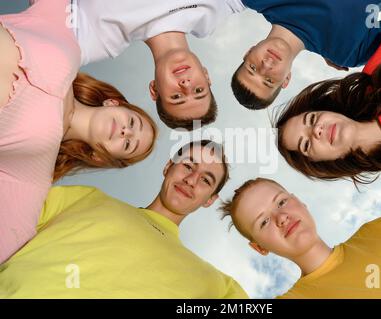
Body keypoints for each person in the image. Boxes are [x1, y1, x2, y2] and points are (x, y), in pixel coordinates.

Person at [0, 0, 158, 263]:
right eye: (132, 123)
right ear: (113, 103)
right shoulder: (68, 45)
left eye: (129, 145)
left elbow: (11, 237)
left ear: (100, 157)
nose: (126, 133)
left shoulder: (35, 172)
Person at [274, 0, 381, 232]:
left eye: (312, 119)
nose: (316, 131)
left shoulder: (379, 77)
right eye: (306, 144)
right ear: (323, 163)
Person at [0, 140, 248, 299]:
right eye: (188, 166)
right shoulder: (86, 197)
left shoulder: (214, 283)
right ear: (168, 167)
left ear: (209, 199)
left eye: (206, 179)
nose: (191, 179)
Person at [220, 178, 381, 298]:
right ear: (259, 248)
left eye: (281, 202)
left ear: (300, 201)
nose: (281, 217)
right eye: (263, 222)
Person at [232, 0, 381, 110]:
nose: (265, 67)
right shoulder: (347, 51)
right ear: (286, 79)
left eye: (252, 68)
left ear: (248, 51)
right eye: (269, 81)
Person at [72, 0, 246, 130]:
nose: (186, 85)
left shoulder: (99, 40)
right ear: (206, 76)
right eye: (198, 91)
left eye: (176, 97)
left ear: (154, 89)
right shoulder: (216, 9)